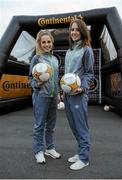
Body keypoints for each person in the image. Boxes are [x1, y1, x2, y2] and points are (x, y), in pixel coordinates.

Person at [64, 19, 94, 170]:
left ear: (82, 31)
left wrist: (82, 87)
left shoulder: (86, 49)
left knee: (81, 127)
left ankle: (84, 158)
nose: (74, 32)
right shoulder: (70, 50)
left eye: (77, 30)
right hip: (67, 94)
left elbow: (89, 73)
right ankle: (80, 151)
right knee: (73, 125)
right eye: (72, 30)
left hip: (79, 94)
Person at [28, 30, 61, 164]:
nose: (46, 44)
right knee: (39, 125)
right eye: (44, 42)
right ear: (40, 44)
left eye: (49, 42)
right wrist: (37, 83)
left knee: (51, 126)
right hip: (41, 96)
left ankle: (50, 148)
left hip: (53, 97)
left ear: (52, 43)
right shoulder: (36, 58)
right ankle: (38, 151)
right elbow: (30, 79)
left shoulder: (54, 59)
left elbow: (56, 79)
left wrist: (58, 94)